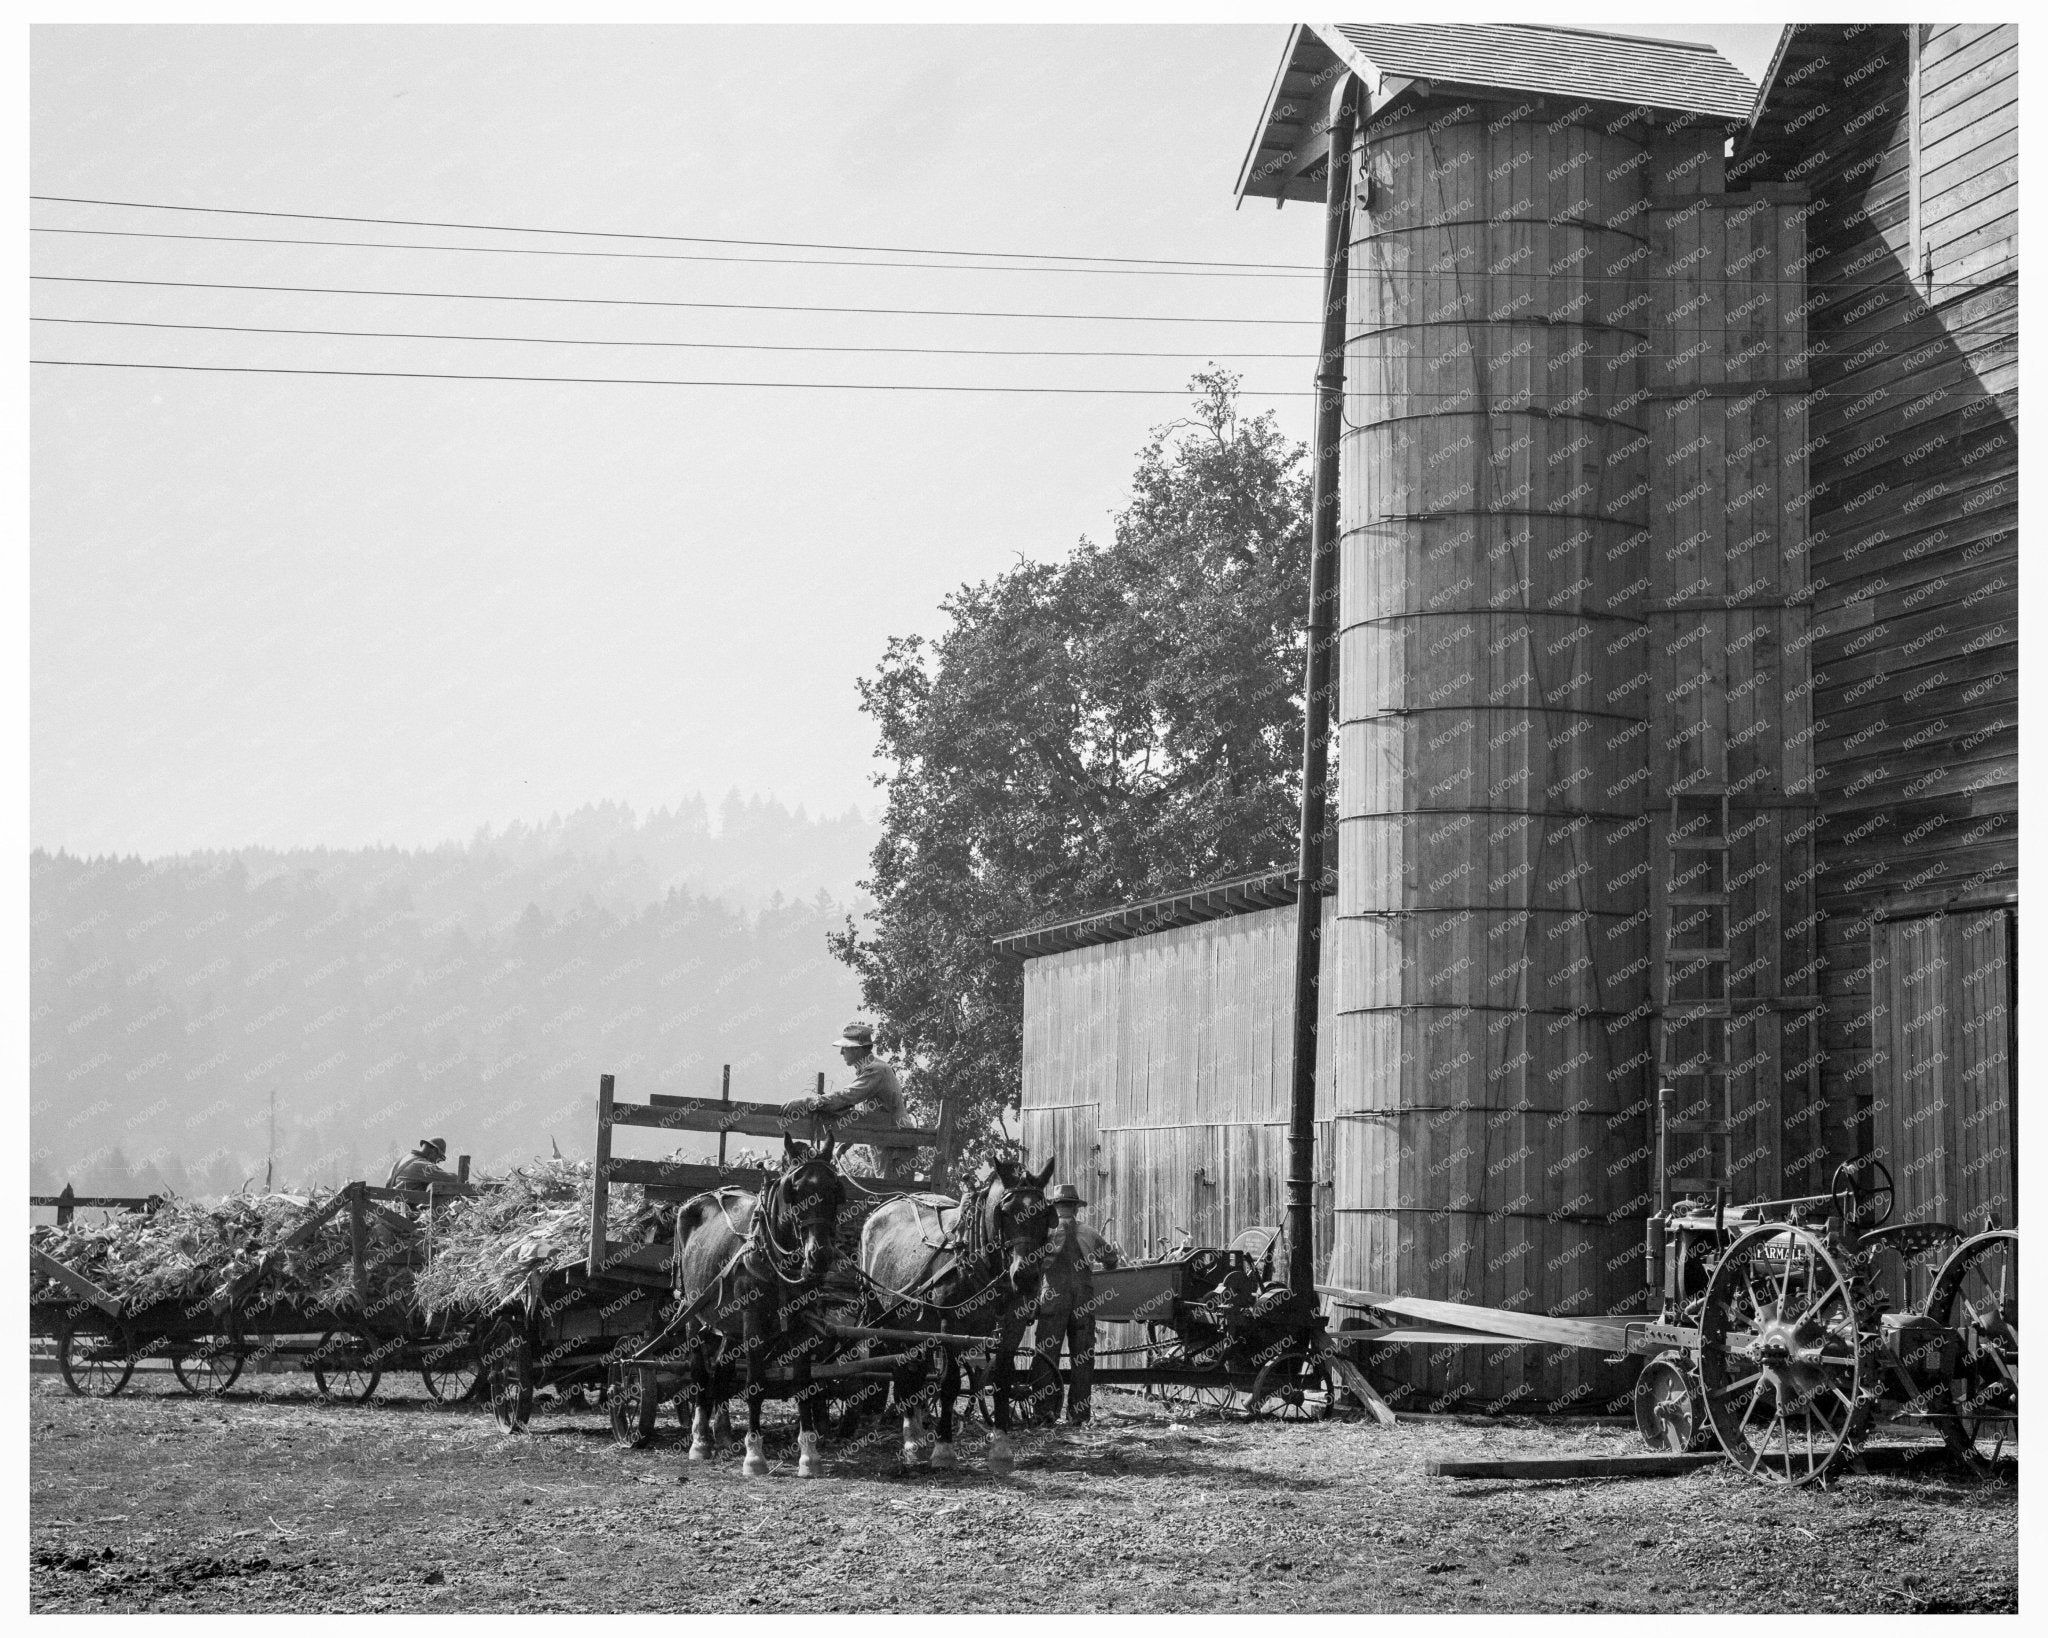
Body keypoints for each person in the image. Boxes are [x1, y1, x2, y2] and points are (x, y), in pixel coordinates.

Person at [1031, 1182, 1119, 1427]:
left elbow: (1030, 1266)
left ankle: (1044, 1414)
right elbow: (1111, 1260)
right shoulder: (1090, 1232)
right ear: (1076, 1208)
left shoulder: (1043, 1235)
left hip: (1052, 1300)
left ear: (1055, 1208)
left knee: (1046, 1356)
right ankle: (1078, 1416)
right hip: (1082, 1300)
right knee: (1082, 1357)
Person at [784, 1022, 915, 1183]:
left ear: (857, 1049)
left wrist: (806, 1102)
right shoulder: (871, 1070)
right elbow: (867, 1116)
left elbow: (846, 1097)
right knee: (887, 1197)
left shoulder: (876, 1070)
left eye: (845, 1048)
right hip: (887, 1143)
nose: (841, 1052)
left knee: (893, 1198)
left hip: (896, 1144)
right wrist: (843, 1146)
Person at [386, 1136, 458, 1190]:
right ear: (434, 1151)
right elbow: (452, 1179)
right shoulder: (421, 1165)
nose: (436, 1163)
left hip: (394, 1203)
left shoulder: (404, 1159)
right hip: (402, 1207)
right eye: (438, 1159)